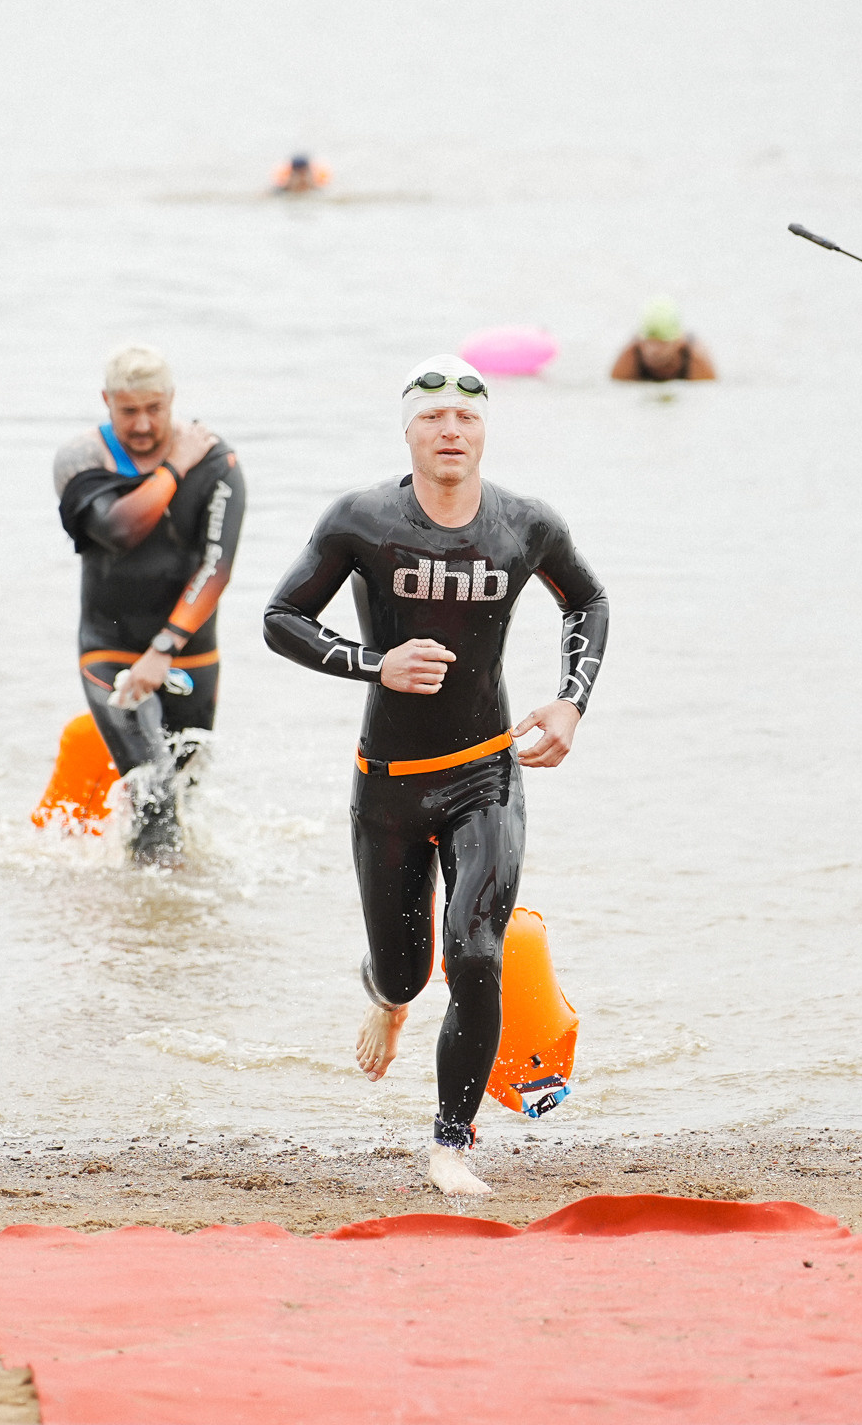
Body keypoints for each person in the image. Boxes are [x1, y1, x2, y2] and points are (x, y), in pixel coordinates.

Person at [264, 355, 608, 1197]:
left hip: (484, 774)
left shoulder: (526, 525)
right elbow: (281, 619)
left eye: (466, 419)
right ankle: (384, 995)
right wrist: (373, 663)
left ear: (485, 431)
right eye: (432, 420)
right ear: (409, 430)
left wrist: (570, 702)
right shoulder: (362, 520)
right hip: (386, 781)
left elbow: (588, 602)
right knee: (408, 969)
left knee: (475, 951)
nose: (450, 432)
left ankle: (451, 1143)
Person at [53, 346, 245, 866]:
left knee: (186, 797)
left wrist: (166, 646)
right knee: (153, 788)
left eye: (154, 408)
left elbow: (216, 567)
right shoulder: (82, 459)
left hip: (190, 655)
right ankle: (151, 928)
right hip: (109, 651)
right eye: (128, 410)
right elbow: (118, 529)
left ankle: (155, 908)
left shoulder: (216, 460)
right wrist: (174, 467)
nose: (142, 423)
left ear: (172, 400)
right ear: (106, 402)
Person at [609, 296, 717, 381]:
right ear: (640, 341)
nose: (654, 350)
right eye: (649, 342)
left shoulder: (695, 360)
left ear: (678, 342)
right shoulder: (630, 357)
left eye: (662, 343)